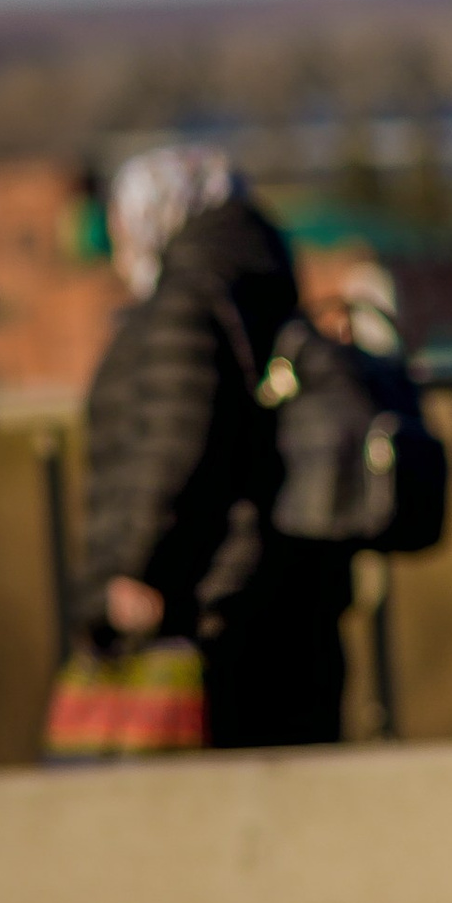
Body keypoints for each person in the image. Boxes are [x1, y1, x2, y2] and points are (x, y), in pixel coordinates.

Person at [78, 144, 347, 748]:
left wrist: (137, 566)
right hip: (285, 578)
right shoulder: (257, 276)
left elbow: (179, 436)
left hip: (207, 591)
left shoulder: (187, 297)